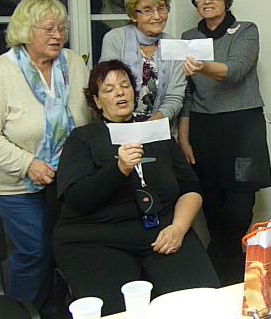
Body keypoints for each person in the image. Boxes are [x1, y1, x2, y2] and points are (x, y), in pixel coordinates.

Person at [53, 60, 219, 315]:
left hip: (162, 231)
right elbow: (77, 199)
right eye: (108, 89)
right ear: (97, 102)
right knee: (119, 311)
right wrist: (119, 169)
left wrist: (178, 228)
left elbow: (191, 187)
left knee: (203, 302)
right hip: (99, 238)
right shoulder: (83, 139)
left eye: (125, 86)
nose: (120, 93)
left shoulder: (156, 133)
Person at [0, 0, 91, 316]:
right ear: (25, 30)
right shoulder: (1, 73)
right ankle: (23, 314)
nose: (58, 35)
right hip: (19, 187)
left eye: (62, 28)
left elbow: (90, 112)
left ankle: (56, 312)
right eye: (49, 29)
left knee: (65, 250)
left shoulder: (73, 63)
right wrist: (26, 164)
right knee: (33, 253)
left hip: (69, 181)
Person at [178, 0, 271, 286]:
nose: (207, 1)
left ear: (227, 0)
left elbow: (235, 70)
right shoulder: (188, 36)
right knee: (211, 207)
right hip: (204, 129)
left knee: (239, 209)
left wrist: (202, 65)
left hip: (243, 130)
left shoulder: (245, 30)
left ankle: (216, 275)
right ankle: (230, 282)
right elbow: (186, 91)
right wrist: (183, 136)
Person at [100, 0, 185, 122]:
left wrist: (151, 125)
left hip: (161, 125)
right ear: (133, 15)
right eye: (147, 10)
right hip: (119, 125)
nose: (157, 16)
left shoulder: (175, 46)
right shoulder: (115, 39)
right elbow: (108, 88)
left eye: (161, 8)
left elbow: (174, 97)